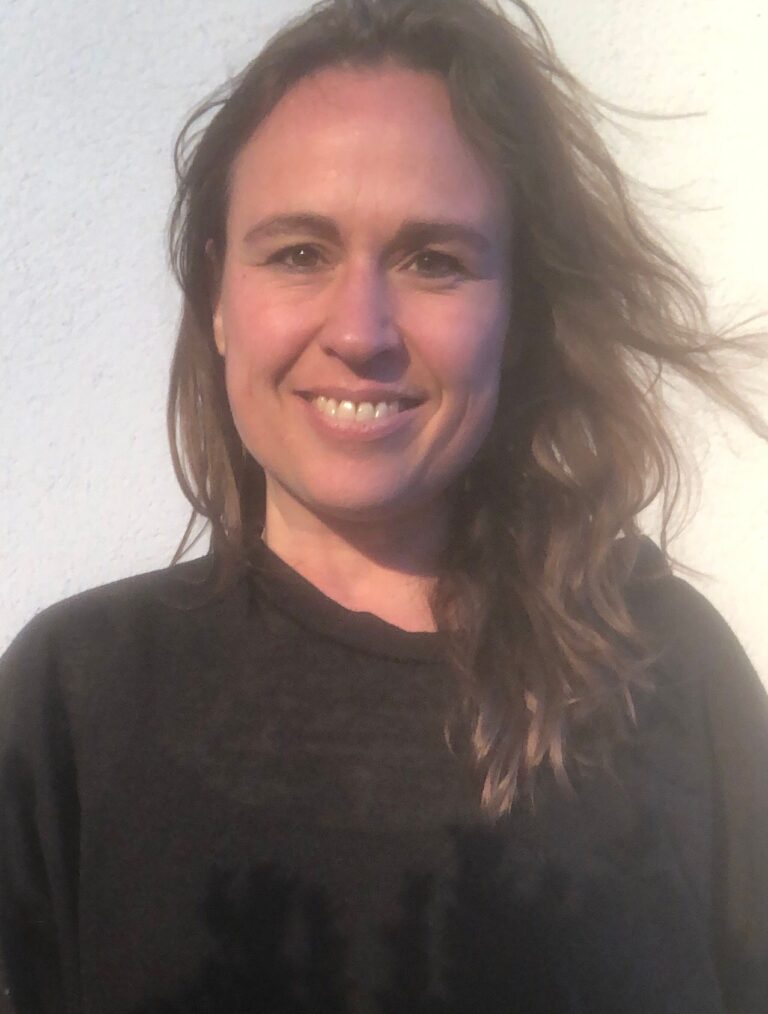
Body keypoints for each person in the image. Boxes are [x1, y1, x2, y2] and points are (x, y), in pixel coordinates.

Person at [1, 0, 766, 1011]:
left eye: (433, 260)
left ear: (516, 313)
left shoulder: (668, 674)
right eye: (299, 253)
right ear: (218, 297)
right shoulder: (71, 702)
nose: (361, 331)